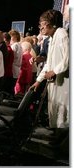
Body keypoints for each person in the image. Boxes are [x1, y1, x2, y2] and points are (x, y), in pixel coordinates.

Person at [30, 10, 69, 141]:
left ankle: (62, 142)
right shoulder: (52, 38)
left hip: (63, 83)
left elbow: (68, 58)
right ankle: (57, 136)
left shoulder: (62, 34)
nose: (40, 27)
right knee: (55, 109)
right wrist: (38, 80)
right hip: (55, 82)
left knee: (62, 111)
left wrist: (55, 71)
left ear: (51, 24)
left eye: (43, 24)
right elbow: (49, 63)